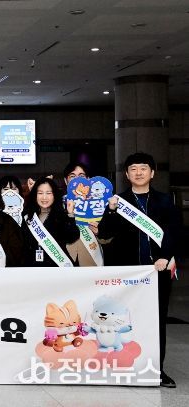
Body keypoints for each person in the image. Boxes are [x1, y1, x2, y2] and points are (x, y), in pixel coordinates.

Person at [97, 152, 181, 388]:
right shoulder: (119, 201)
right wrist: (111, 210)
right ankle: (124, 367)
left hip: (157, 273)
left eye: (143, 168)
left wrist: (165, 256)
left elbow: (175, 233)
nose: (138, 172)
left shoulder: (165, 201)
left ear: (152, 173)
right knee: (123, 320)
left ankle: (157, 370)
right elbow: (104, 233)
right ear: (126, 174)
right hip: (128, 276)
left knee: (156, 321)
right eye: (133, 169)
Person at [21, 178, 80, 267]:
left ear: (54, 195)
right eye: (40, 193)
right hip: (32, 267)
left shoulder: (61, 215)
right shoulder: (27, 215)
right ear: (35, 195)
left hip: (57, 266)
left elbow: (72, 237)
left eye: (48, 193)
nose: (44, 197)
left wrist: (71, 214)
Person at [60, 162, 110, 267]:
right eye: (72, 176)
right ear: (66, 181)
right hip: (64, 261)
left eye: (81, 176)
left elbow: (107, 239)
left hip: (91, 261)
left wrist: (100, 232)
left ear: (88, 179)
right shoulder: (58, 204)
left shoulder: (99, 205)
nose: (77, 180)